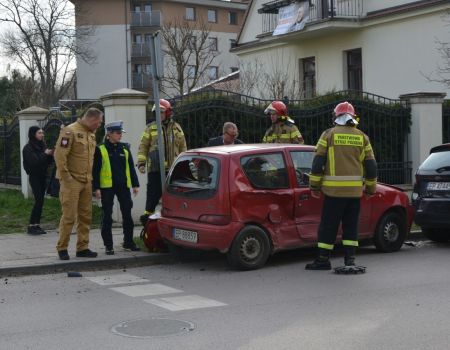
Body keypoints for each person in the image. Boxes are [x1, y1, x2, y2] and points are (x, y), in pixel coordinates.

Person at [305, 101, 377, 273]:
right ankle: (350, 260)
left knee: (328, 226)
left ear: (335, 116)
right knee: (351, 226)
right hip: (354, 193)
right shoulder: (362, 137)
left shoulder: (328, 135)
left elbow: (317, 163)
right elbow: (371, 166)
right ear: (353, 117)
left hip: (333, 192)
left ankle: (323, 260)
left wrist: (314, 187)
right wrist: (370, 189)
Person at [54, 107, 104, 260]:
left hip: (86, 181)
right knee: (69, 216)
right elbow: (59, 155)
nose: (99, 125)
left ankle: (82, 247)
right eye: (99, 122)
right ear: (92, 119)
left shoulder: (91, 134)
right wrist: (66, 178)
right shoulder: (70, 131)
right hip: (72, 181)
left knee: (85, 216)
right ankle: (62, 248)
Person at [93, 121, 140, 255]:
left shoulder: (124, 148)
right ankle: (109, 245)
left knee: (127, 215)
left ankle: (128, 242)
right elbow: (95, 170)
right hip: (107, 187)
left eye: (121, 133)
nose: (120, 135)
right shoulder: (100, 149)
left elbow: (131, 167)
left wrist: (135, 185)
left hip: (123, 187)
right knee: (107, 216)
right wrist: (96, 188)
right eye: (118, 133)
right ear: (109, 134)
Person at [137, 99, 187, 225]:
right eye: (156, 112)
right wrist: (141, 163)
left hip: (173, 170)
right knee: (153, 197)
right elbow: (143, 147)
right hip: (155, 169)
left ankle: (174, 221)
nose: (158, 115)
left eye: (161, 112)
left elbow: (183, 147)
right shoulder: (150, 128)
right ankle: (147, 222)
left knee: (174, 197)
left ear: (168, 112)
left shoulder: (177, 128)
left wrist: (184, 163)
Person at [22, 126, 54, 235]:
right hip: (34, 177)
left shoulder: (42, 145)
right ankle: (31, 226)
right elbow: (33, 162)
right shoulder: (28, 148)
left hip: (42, 176)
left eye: (42, 133)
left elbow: (46, 162)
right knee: (39, 200)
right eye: (39, 133)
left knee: (41, 201)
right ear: (33, 134)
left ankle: (37, 225)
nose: (42, 134)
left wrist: (50, 155)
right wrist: (45, 153)